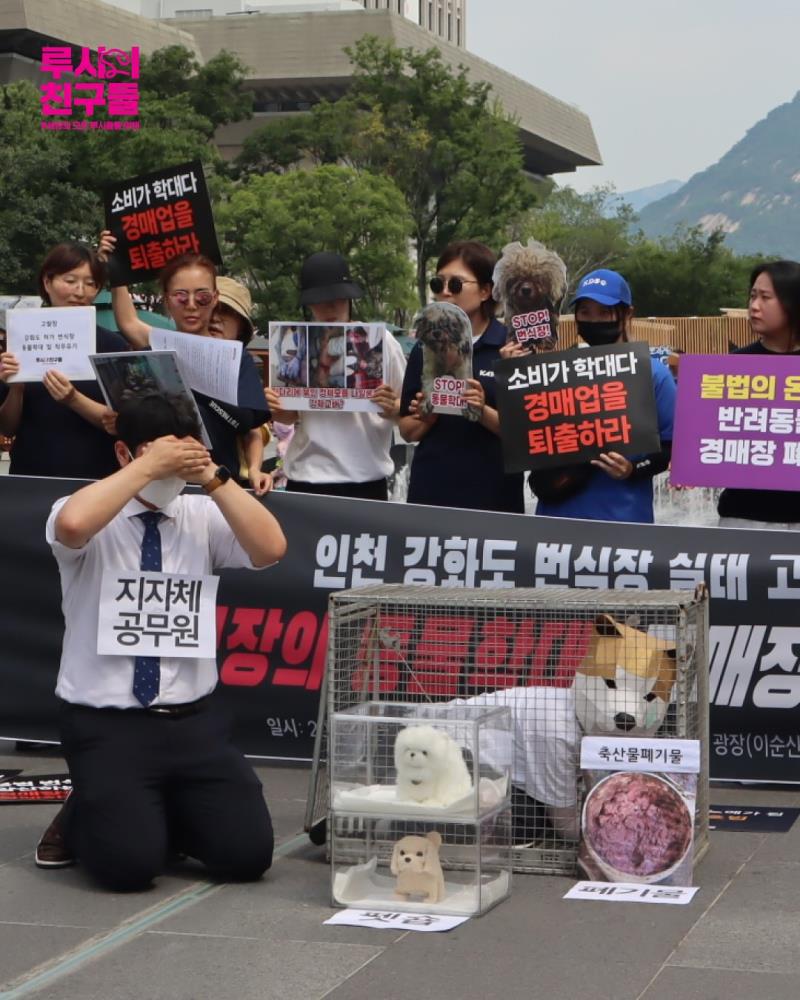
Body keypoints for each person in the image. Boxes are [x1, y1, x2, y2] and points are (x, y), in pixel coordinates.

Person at [37, 392, 286, 891]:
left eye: (184, 453)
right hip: (107, 721)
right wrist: (149, 467)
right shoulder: (88, 507)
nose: (174, 467)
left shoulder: (201, 513)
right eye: (161, 454)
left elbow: (270, 549)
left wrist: (212, 474)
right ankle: (87, 808)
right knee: (127, 869)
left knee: (246, 855)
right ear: (124, 453)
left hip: (192, 721)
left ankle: (153, 809)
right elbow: (72, 526)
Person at [101, 234, 269, 486]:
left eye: (202, 297)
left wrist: (254, 469)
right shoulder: (157, 347)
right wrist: (115, 266)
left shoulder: (235, 358)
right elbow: (128, 322)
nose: (191, 305)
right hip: (159, 483)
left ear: (214, 298)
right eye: (181, 296)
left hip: (218, 483)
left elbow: (247, 425)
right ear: (167, 300)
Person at [532, 269, 676, 524]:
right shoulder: (557, 372)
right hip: (557, 519)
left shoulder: (653, 373)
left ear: (627, 314)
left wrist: (633, 469)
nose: (594, 320)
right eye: (585, 312)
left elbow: (671, 446)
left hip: (623, 521)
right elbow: (530, 438)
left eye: (603, 312)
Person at [265, 252, 406, 501]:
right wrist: (275, 407)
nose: (328, 307)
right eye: (318, 300)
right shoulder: (297, 345)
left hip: (366, 480)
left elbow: (408, 411)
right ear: (309, 304)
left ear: (349, 298)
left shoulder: (382, 342)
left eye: (336, 299)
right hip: (306, 476)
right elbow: (289, 415)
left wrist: (392, 407)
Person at [399, 240, 524, 513]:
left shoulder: (510, 347)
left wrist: (481, 410)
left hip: (494, 496)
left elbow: (526, 436)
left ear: (485, 290)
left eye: (455, 284)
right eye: (438, 283)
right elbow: (406, 430)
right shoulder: (424, 347)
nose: (445, 292)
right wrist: (427, 415)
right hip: (431, 493)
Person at [0, 242, 128, 478]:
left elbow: (123, 423)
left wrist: (73, 399)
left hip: (101, 480)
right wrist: (15, 389)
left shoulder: (113, 346)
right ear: (47, 282)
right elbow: (7, 428)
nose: (80, 292)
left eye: (90, 283)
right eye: (70, 281)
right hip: (32, 477)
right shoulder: (19, 341)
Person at [718, 260, 800, 528]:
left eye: (765, 297)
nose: (754, 306)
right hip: (744, 517)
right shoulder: (732, 365)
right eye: (752, 296)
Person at [206, 276, 273, 496]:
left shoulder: (242, 365)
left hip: (225, 483)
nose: (216, 318)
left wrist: (254, 469)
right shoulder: (174, 350)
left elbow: (252, 430)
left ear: (241, 327)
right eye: (210, 308)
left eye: (227, 312)